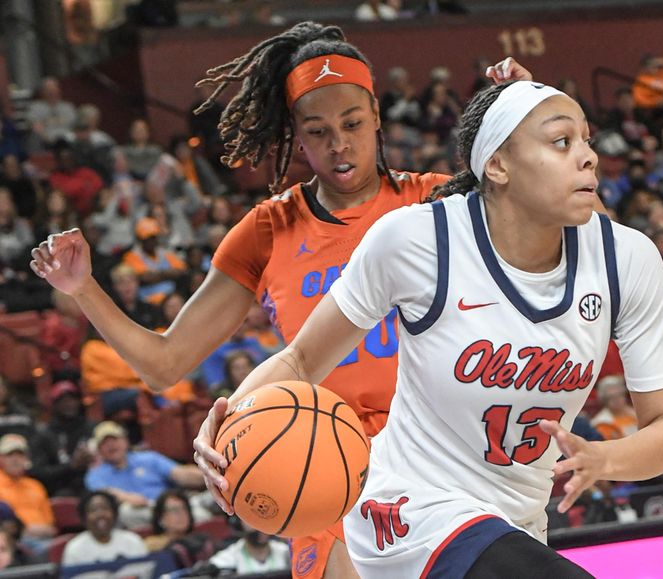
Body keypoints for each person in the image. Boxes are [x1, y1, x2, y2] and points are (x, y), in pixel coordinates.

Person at [28, 20, 531, 579]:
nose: (338, 143)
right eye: (316, 131)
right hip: (326, 458)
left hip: (443, 451)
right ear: (295, 133)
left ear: (377, 116)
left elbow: (559, 227)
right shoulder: (268, 228)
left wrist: (524, 117)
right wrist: (84, 290)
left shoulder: (437, 199)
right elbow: (162, 364)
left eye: (352, 123)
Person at [193, 79, 663, 577]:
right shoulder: (418, 239)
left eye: (587, 141)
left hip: (517, 525)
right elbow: (301, 360)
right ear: (497, 164)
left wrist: (604, 459)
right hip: (407, 513)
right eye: (562, 142)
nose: (588, 158)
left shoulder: (629, 259)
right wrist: (227, 425)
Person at [61, 490, 148, 566]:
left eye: (105, 508)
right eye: (93, 510)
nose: (100, 514)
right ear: (84, 517)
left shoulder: (133, 541)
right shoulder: (75, 549)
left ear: (115, 514)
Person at [208, 520, 291, 574]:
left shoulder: (284, 551)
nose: (260, 528)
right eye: (253, 523)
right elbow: (211, 567)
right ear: (240, 524)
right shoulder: (231, 555)